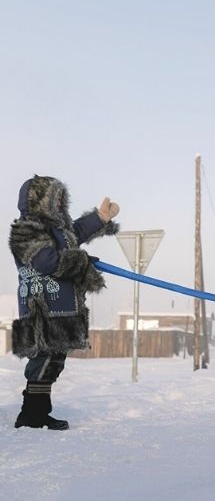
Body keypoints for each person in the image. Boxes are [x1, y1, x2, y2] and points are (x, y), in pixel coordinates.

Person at [9, 175, 120, 430]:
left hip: (62, 307)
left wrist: (100, 218)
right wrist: (81, 260)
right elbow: (45, 261)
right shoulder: (27, 229)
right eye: (54, 199)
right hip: (43, 308)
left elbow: (76, 232)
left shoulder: (57, 229)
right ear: (40, 201)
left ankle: (38, 412)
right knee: (43, 359)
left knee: (54, 360)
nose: (59, 204)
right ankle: (31, 415)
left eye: (61, 199)